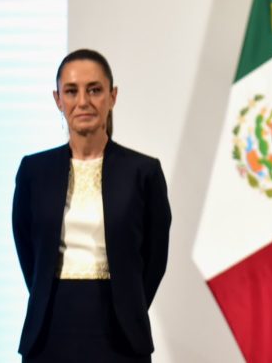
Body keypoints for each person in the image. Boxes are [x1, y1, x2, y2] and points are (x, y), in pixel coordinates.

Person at [12, 49, 171, 361]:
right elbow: (29, 252)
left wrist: (130, 302)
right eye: (71, 91)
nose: (83, 101)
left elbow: (155, 258)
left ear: (112, 97)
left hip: (122, 332)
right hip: (49, 329)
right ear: (58, 99)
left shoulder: (143, 171)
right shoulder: (34, 171)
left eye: (94, 90)